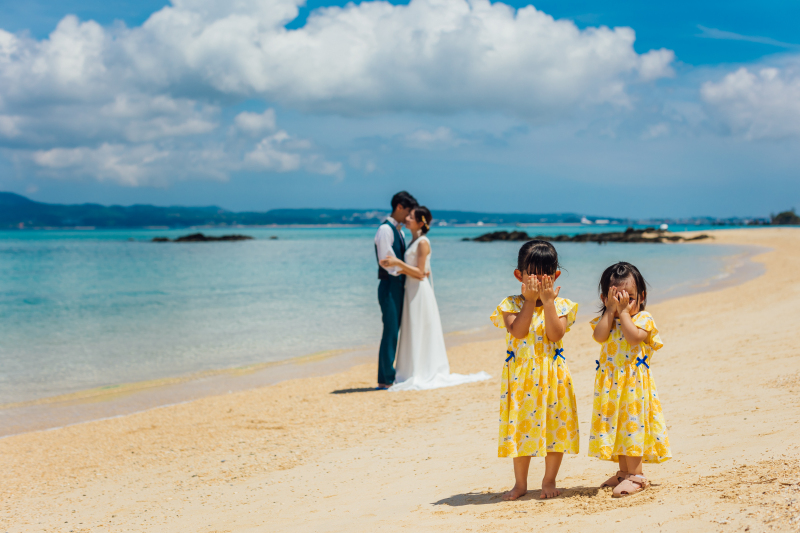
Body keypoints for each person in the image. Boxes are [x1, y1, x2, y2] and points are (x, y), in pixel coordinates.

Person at [490, 240, 579, 500]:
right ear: (520, 275)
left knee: (555, 428)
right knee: (521, 428)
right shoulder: (511, 304)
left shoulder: (562, 305)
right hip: (521, 379)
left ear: (556, 275)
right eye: (533, 272)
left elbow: (555, 334)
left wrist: (548, 302)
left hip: (553, 375)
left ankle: (549, 480)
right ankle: (520, 484)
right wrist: (529, 301)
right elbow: (518, 332)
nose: (539, 278)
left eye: (545, 272)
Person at [379, 207, 490, 391]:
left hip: (419, 291)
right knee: (412, 328)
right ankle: (411, 369)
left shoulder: (423, 242)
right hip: (411, 290)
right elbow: (420, 270)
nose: (406, 219)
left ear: (420, 223)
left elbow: (420, 273)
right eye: (407, 215)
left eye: (411, 217)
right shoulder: (413, 240)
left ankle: (421, 370)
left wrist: (398, 263)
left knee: (418, 327)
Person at [589, 262, 671, 497]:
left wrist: (624, 313)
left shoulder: (643, 319)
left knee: (632, 426)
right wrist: (611, 311)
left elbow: (634, 338)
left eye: (630, 297)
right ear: (606, 298)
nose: (623, 302)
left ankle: (637, 474)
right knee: (618, 427)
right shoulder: (608, 321)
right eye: (617, 297)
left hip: (634, 384)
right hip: (611, 386)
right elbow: (599, 336)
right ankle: (624, 473)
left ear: (642, 297)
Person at [374, 191, 418, 389]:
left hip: (399, 285)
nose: (409, 216)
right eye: (408, 211)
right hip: (390, 285)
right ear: (399, 207)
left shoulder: (398, 230)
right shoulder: (386, 230)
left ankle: (391, 374)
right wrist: (408, 270)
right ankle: (385, 379)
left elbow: (395, 262)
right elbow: (387, 263)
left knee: (397, 330)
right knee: (390, 330)